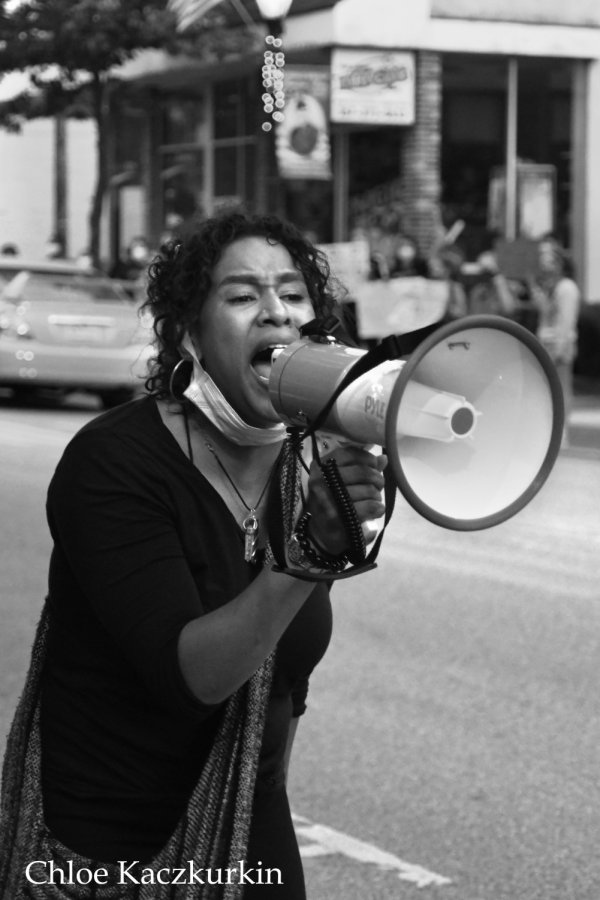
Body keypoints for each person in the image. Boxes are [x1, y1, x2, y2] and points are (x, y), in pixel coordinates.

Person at [0, 212, 387, 898]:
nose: (275, 311)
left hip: (248, 825)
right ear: (189, 333)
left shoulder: (309, 464)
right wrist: (306, 559)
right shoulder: (113, 463)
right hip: (106, 852)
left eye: (294, 296)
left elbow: (283, 689)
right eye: (242, 297)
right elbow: (195, 681)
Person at [529, 244, 580, 446]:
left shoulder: (566, 288)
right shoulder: (553, 288)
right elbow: (543, 311)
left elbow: (566, 323)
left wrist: (559, 349)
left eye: (548, 259)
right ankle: (552, 433)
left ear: (560, 263)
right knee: (549, 392)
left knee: (561, 391)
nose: (543, 264)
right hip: (547, 345)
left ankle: (562, 435)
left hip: (557, 349)